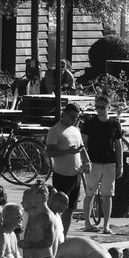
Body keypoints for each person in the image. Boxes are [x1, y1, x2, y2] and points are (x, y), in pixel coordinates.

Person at [80, 91, 125, 235]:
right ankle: (87, 223)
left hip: (109, 163)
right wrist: (85, 161)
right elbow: (83, 144)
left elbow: (118, 146)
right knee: (90, 193)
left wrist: (120, 165)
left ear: (108, 107)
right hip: (93, 162)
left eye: (102, 107)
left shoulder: (114, 124)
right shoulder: (89, 123)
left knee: (108, 194)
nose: (99, 110)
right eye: (97, 107)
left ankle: (106, 225)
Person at [46, 101, 90, 235]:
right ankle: (55, 234)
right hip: (62, 175)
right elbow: (50, 152)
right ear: (63, 114)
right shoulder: (55, 131)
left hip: (75, 175)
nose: (74, 120)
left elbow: (81, 149)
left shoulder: (76, 130)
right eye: (72, 117)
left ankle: (64, 235)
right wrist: (66, 152)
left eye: (76, 117)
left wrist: (87, 161)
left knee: (70, 208)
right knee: (59, 207)